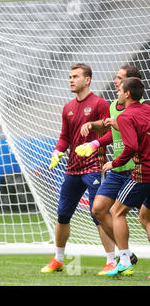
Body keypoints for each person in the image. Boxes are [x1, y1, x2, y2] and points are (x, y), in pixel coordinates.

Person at [42, 63, 116, 273]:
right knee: (62, 214)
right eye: (70, 77)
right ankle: (58, 259)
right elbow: (65, 136)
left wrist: (94, 144)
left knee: (98, 214)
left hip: (94, 167)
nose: (71, 80)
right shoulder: (67, 108)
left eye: (75, 76)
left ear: (88, 79)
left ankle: (111, 260)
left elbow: (112, 133)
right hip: (72, 169)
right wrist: (57, 151)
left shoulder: (101, 104)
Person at [75, 66, 142, 274]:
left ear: (129, 86)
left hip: (136, 170)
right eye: (115, 78)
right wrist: (95, 141)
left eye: (120, 79)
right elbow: (111, 131)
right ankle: (126, 256)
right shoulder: (114, 105)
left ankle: (123, 259)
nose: (115, 81)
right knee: (98, 210)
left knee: (144, 218)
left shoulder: (141, 110)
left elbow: (132, 136)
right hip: (117, 168)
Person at [101, 77, 150, 276]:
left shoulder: (125, 116)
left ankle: (124, 261)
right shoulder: (147, 109)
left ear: (127, 94)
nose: (117, 93)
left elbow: (132, 146)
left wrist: (114, 162)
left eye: (120, 90)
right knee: (145, 216)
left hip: (143, 173)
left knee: (116, 211)